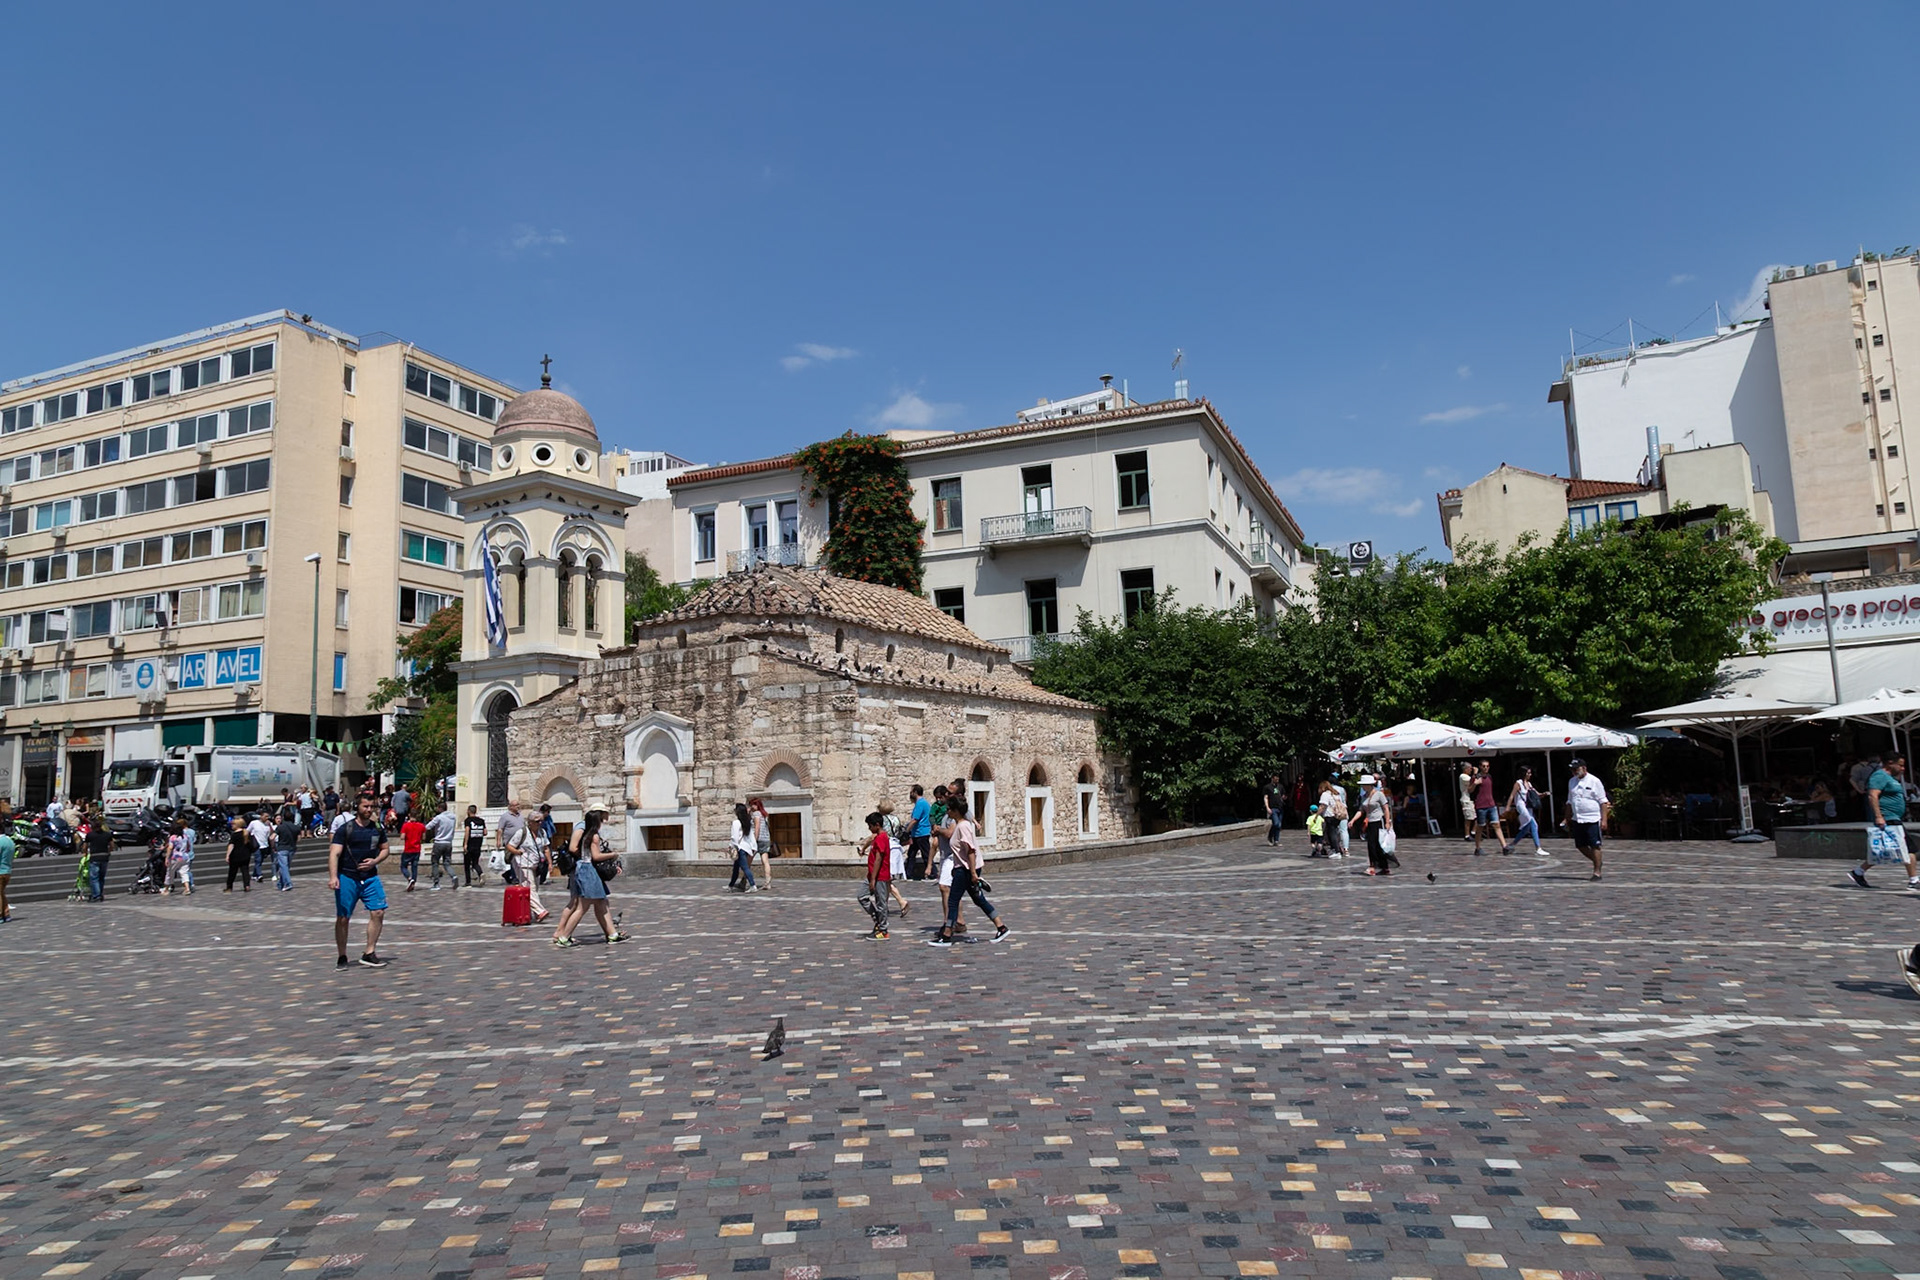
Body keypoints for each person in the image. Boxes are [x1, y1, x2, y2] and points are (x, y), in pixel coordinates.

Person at [929, 794, 1008, 946]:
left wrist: (972, 874)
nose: (947, 811)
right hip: (962, 868)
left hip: (966, 870)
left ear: (956, 811)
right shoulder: (960, 825)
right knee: (978, 899)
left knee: (953, 901)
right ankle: (1001, 927)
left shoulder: (963, 826)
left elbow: (970, 851)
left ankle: (946, 935)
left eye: (949, 809)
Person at [328, 793, 391, 968]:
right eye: (365, 806)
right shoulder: (346, 829)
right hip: (348, 876)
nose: (369, 810)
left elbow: (385, 849)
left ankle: (369, 952)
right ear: (358, 807)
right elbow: (334, 853)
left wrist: (375, 861)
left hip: (370, 877)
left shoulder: (377, 828)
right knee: (343, 917)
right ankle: (342, 955)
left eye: (372, 807)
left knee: (378, 912)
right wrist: (333, 877)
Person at [552, 807, 627, 946]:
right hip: (587, 870)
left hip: (584, 868)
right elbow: (596, 856)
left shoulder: (585, 834)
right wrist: (613, 855)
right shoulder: (594, 836)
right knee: (582, 906)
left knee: (602, 902)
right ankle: (564, 936)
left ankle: (612, 934)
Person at [1850, 754, 1917, 890]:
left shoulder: (1889, 778)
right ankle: (1914, 880)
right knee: (1909, 848)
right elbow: (1872, 795)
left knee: (1882, 850)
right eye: (1900, 765)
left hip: (1893, 817)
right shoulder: (1879, 776)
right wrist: (1879, 816)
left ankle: (1858, 872)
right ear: (1890, 763)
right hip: (1888, 817)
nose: (1903, 768)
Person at [1562, 757, 1611, 881]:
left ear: (1584, 768)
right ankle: (1597, 860)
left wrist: (1604, 820)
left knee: (1595, 845)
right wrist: (1566, 818)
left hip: (1592, 819)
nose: (1574, 772)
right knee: (1580, 845)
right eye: (1572, 770)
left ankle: (1597, 871)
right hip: (1578, 818)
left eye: (1576, 769)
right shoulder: (1571, 782)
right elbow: (1569, 801)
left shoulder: (1594, 781)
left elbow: (1603, 801)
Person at [507, 815, 550, 923]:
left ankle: (533, 914)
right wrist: (518, 852)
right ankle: (540, 911)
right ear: (530, 822)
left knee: (534, 888)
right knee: (530, 887)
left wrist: (550, 863)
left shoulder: (542, 832)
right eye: (537, 821)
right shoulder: (522, 832)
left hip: (536, 864)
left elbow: (546, 848)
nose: (539, 823)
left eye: (541, 821)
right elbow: (510, 846)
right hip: (523, 863)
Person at [1350, 773, 1395, 876]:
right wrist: (1353, 820)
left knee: (1379, 845)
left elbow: (1386, 808)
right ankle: (1374, 866)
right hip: (1370, 822)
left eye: (1364, 785)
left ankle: (1381, 866)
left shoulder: (1379, 794)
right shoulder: (1364, 796)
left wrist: (1388, 822)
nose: (1363, 787)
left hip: (1379, 821)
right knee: (1371, 844)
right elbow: (1361, 810)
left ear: (1370, 785)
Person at [858, 811, 893, 940]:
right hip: (871, 875)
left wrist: (873, 879)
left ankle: (883, 930)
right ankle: (877, 920)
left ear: (877, 825)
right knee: (862, 896)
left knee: (881, 903)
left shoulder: (882, 838)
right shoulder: (877, 837)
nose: (869, 829)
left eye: (870, 826)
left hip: (880, 876)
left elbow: (879, 859)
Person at [1469, 762, 1509, 855]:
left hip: (1491, 805)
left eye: (1487, 766)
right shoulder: (1477, 777)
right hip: (1481, 805)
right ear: (1480, 767)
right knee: (1480, 826)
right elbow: (1470, 790)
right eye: (1483, 766)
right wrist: (1475, 783)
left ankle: (1504, 846)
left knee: (1496, 824)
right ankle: (1478, 848)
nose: (1485, 768)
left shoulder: (1490, 777)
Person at [1506, 766, 1545, 855]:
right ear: (1523, 773)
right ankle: (1538, 848)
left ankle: (1512, 844)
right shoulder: (1518, 783)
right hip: (1521, 806)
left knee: (1526, 828)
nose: (1530, 775)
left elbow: (1536, 794)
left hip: (1528, 807)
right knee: (1533, 824)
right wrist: (1508, 807)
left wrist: (1544, 794)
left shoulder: (1529, 784)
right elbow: (1512, 795)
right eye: (1528, 773)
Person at [425, 804, 459, 889]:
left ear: (440, 808)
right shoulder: (453, 817)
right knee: (447, 863)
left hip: (439, 842)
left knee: (435, 862)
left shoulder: (439, 818)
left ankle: (436, 883)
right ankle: (454, 876)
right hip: (448, 842)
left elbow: (428, 827)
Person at [728, 803, 759, 893]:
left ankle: (753, 885)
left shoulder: (736, 823)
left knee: (745, 868)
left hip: (739, 848)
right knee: (736, 868)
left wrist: (732, 845)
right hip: (745, 848)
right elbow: (750, 836)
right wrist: (753, 847)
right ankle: (731, 886)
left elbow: (735, 836)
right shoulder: (746, 822)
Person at [84, 812, 114, 901]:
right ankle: (100, 893)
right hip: (104, 857)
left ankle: (96, 895)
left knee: (94, 878)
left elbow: (85, 846)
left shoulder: (90, 835)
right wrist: (108, 852)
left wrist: (85, 854)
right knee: (101, 877)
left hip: (94, 857)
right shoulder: (107, 835)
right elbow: (112, 845)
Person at [749, 796, 775, 891]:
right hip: (766, 839)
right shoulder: (764, 814)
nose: (751, 806)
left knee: (748, 860)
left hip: (758, 840)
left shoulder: (756, 814)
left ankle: (744, 880)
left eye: (752, 804)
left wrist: (754, 840)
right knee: (765, 861)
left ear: (756, 805)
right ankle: (768, 882)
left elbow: (757, 827)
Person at [907, 784, 933, 878]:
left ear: (915, 792)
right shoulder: (922, 803)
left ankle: (932, 873)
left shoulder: (920, 803)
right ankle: (909, 874)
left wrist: (907, 830)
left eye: (911, 792)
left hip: (921, 833)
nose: (910, 794)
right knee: (911, 854)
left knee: (925, 854)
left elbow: (915, 819)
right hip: (918, 833)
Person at [1318, 779, 1349, 859]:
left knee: (1332, 833)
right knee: (1333, 832)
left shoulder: (1325, 794)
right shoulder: (1335, 794)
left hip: (1330, 815)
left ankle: (1336, 850)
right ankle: (1336, 849)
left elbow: (1323, 805)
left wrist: (1317, 815)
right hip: (1337, 816)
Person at [399, 808, 427, 892]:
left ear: (409, 815)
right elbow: (424, 838)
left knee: (403, 866)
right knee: (414, 867)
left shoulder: (406, 825)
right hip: (417, 849)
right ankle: (413, 882)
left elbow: (402, 837)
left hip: (408, 849)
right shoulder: (421, 826)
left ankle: (409, 878)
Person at [273, 805, 299, 891]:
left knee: (283, 866)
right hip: (292, 848)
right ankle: (281, 883)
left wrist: (273, 846)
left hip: (282, 848)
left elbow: (272, 837)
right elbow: (299, 838)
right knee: (285, 867)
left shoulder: (280, 826)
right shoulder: (296, 827)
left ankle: (288, 883)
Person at [224, 817, 253, 892]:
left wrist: (227, 855)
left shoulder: (235, 835)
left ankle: (229, 887)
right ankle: (247, 885)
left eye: (233, 824)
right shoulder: (246, 833)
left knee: (232, 872)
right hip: (246, 855)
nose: (232, 826)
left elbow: (231, 845)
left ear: (237, 825)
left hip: (235, 856)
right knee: (245, 871)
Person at [462, 804, 487, 886]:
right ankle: (480, 873)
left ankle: (468, 882)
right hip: (478, 844)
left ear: (469, 811)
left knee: (467, 864)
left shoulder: (468, 820)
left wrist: (465, 844)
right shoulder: (481, 821)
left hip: (470, 844)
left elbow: (467, 831)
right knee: (475, 863)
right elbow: (485, 832)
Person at [248, 809, 275, 882]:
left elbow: (271, 833)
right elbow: (248, 831)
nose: (267, 818)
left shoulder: (267, 825)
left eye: (268, 817)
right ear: (261, 816)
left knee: (260, 861)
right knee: (258, 859)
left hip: (265, 845)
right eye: (265, 816)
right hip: (256, 845)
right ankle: (259, 875)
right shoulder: (254, 823)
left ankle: (254, 875)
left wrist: (269, 825)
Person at [1263, 773, 1286, 847]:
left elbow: (1283, 795)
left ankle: (1276, 840)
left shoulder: (1280, 786)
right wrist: (1267, 807)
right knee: (1276, 823)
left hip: (1280, 807)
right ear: (1272, 778)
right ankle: (1270, 836)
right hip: (1273, 808)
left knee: (1279, 825)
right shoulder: (1267, 787)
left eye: (1278, 779)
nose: (1277, 780)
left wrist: (1284, 798)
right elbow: (1266, 797)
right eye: (1275, 779)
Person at [1457, 763, 1476, 841]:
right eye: (1470, 768)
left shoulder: (1467, 776)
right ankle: (1467, 835)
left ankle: (1473, 832)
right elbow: (1472, 781)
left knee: (1476, 817)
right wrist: (1475, 773)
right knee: (1468, 818)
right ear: (1466, 769)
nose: (1471, 770)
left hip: (1471, 800)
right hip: (1466, 800)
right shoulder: (1463, 776)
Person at [0, 822, 14, 922]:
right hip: (7, 870)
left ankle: (0, 915)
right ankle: (6, 913)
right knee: (1, 893)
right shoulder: (10, 841)